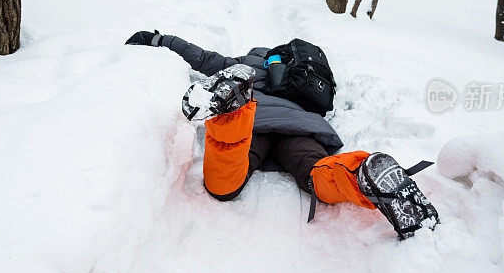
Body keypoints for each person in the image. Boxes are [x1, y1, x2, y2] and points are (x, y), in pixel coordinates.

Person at [126, 30, 439, 239]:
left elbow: (200, 57)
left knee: (224, 183)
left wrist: (160, 39)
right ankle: (360, 174)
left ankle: (234, 110)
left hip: (255, 122)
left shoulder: (243, 63)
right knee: (316, 173)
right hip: (301, 126)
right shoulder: (302, 79)